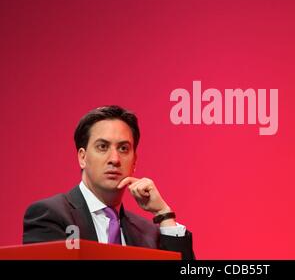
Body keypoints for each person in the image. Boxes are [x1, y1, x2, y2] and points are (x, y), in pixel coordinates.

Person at [22, 105, 194, 259]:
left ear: (134, 161)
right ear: (82, 157)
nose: (114, 159)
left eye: (123, 148)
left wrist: (164, 214)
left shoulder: (147, 232)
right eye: (102, 147)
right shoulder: (51, 215)